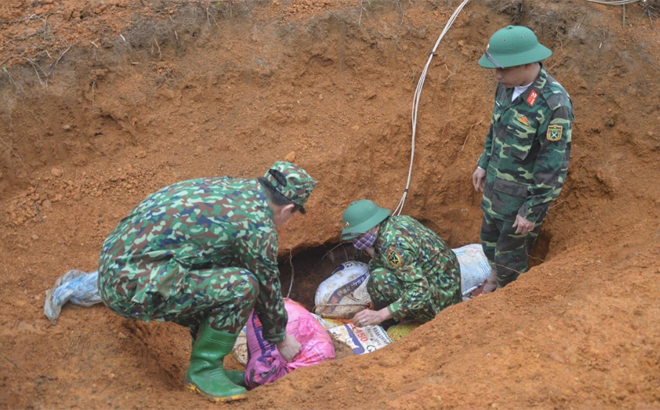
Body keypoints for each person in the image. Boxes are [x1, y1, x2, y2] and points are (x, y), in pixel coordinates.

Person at [97, 161, 317, 402]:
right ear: (288, 209)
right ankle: (204, 371)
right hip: (129, 288)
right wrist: (280, 338)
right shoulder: (256, 224)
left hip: (118, 266)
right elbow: (267, 286)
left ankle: (210, 367)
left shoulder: (230, 187)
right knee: (241, 286)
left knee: (220, 271)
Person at [472, 25, 573, 293]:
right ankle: (494, 278)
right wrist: (484, 162)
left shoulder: (554, 104)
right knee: (488, 241)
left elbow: (553, 166)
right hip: (495, 189)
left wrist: (532, 210)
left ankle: (508, 301)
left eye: (503, 69)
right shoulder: (507, 87)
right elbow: (496, 128)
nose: (497, 75)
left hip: (520, 202)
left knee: (511, 260)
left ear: (528, 63)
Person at [340, 199, 461, 328]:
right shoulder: (398, 223)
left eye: (360, 235)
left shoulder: (392, 246)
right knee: (375, 266)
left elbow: (420, 291)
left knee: (379, 279)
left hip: (440, 306)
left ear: (375, 225)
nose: (356, 241)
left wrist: (380, 315)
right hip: (445, 289)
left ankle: (386, 324)